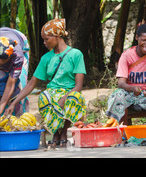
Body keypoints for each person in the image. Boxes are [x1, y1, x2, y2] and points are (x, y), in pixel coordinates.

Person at [5, 18, 86, 147]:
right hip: (52, 93)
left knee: (74, 98)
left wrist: (64, 98)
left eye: (46, 39)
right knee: (44, 97)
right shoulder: (46, 58)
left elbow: (78, 86)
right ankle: (55, 133)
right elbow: (32, 83)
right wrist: (13, 103)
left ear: (58, 36)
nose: (44, 42)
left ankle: (64, 132)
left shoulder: (76, 54)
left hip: (70, 92)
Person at [0, 27, 30, 116]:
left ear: (10, 57)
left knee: (20, 87)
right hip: (3, 36)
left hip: (21, 42)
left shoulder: (18, 57)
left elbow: (10, 85)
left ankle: (20, 115)